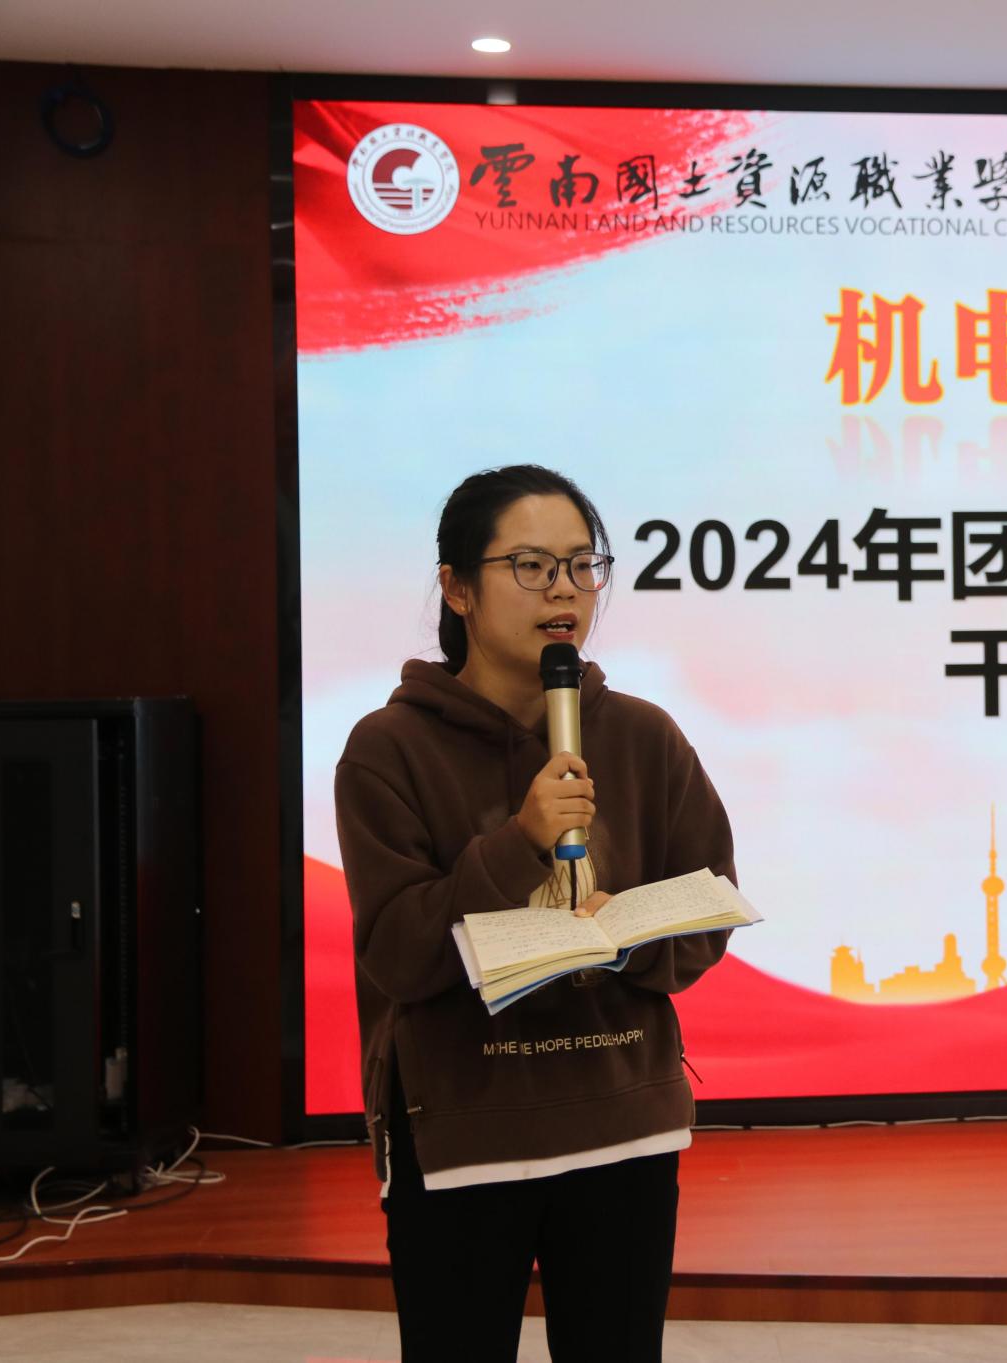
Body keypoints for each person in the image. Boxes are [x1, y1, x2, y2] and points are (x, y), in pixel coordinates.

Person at [335, 465, 736, 1363]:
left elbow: (709, 905)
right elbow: (398, 951)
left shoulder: (643, 735)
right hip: (466, 1134)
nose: (564, 589)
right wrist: (518, 842)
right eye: (530, 564)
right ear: (457, 588)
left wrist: (627, 937)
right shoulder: (387, 750)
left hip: (623, 1122)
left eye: (582, 564)